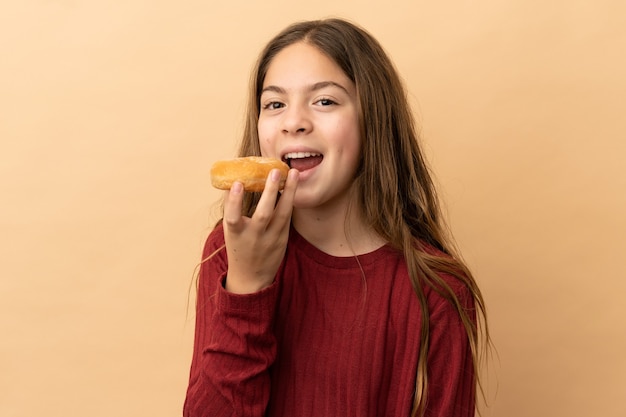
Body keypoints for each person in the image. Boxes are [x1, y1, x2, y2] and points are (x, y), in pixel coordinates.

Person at [183, 18, 490, 417]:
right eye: (275, 104)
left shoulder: (437, 290)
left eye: (324, 101)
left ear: (373, 120)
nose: (294, 122)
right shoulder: (230, 251)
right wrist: (248, 287)